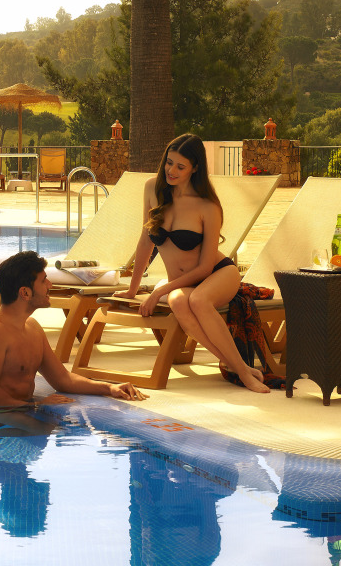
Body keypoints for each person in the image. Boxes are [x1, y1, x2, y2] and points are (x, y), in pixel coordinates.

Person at [115, 133, 271, 393]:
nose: (171, 171)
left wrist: (158, 291)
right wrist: (133, 289)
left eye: (180, 166)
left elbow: (205, 268)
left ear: (195, 168)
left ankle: (244, 374)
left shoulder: (207, 206)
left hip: (218, 274)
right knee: (179, 302)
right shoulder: (152, 189)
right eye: (169, 162)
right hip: (182, 284)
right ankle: (238, 366)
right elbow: (145, 241)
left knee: (198, 300)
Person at [0, 250, 145, 432]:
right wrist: (35, 406)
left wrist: (109, 388)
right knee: (54, 429)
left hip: (22, 413)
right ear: (25, 292)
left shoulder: (32, 328)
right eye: (43, 280)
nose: (50, 285)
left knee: (73, 428)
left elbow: (63, 379)